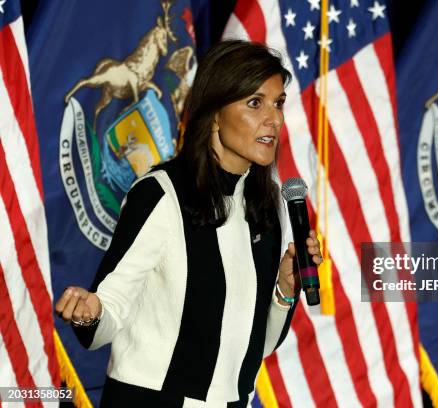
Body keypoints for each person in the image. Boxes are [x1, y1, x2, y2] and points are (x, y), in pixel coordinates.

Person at [54, 40, 323, 407]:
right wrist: (91, 312)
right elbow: (109, 309)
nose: (274, 119)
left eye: (278, 103)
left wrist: (284, 292)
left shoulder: (267, 203)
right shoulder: (161, 194)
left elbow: (256, 347)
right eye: (255, 103)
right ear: (214, 112)